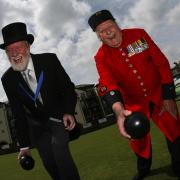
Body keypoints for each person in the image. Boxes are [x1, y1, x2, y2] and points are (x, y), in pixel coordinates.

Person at [88, 10, 180, 180]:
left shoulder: (138, 35)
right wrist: (118, 109)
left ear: (117, 25)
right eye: (102, 31)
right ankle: (144, 169)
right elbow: (108, 84)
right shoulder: (101, 57)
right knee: (138, 140)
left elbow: (161, 63)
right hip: (134, 104)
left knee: (174, 130)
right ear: (99, 37)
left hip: (159, 94)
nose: (108, 32)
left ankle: (178, 164)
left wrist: (168, 96)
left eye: (110, 26)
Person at [0, 22, 80, 180]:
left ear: (28, 47)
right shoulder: (7, 79)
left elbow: (67, 88)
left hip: (59, 119)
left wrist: (69, 112)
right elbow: (18, 113)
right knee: (50, 163)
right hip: (38, 126)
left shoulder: (49, 60)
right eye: (9, 50)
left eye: (18, 47)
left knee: (60, 151)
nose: (14, 53)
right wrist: (24, 146)